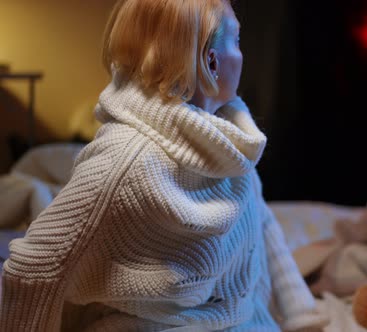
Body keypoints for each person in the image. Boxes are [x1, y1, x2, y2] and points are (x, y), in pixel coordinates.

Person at [0, 0, 326, 330]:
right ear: (211, 62)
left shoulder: (229, 142)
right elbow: (34, 265)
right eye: (238, 41)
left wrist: (304, 314)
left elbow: (263, 226)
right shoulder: (123, 163)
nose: (244, 56)